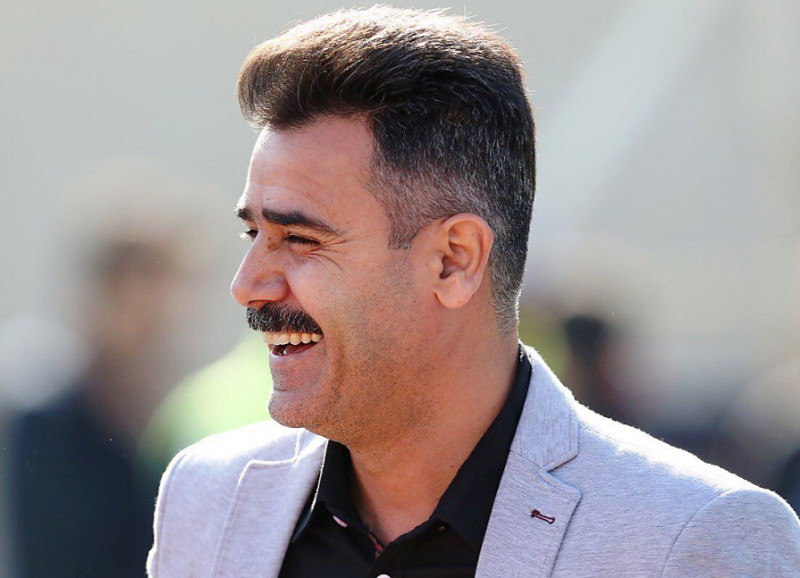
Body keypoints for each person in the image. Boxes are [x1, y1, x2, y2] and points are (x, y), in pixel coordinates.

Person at [147, 7, 800, 577]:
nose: (246, 285)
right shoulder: (209, 498)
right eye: (253, 234)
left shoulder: (692, 537)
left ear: (453, 261)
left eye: (299, 239)